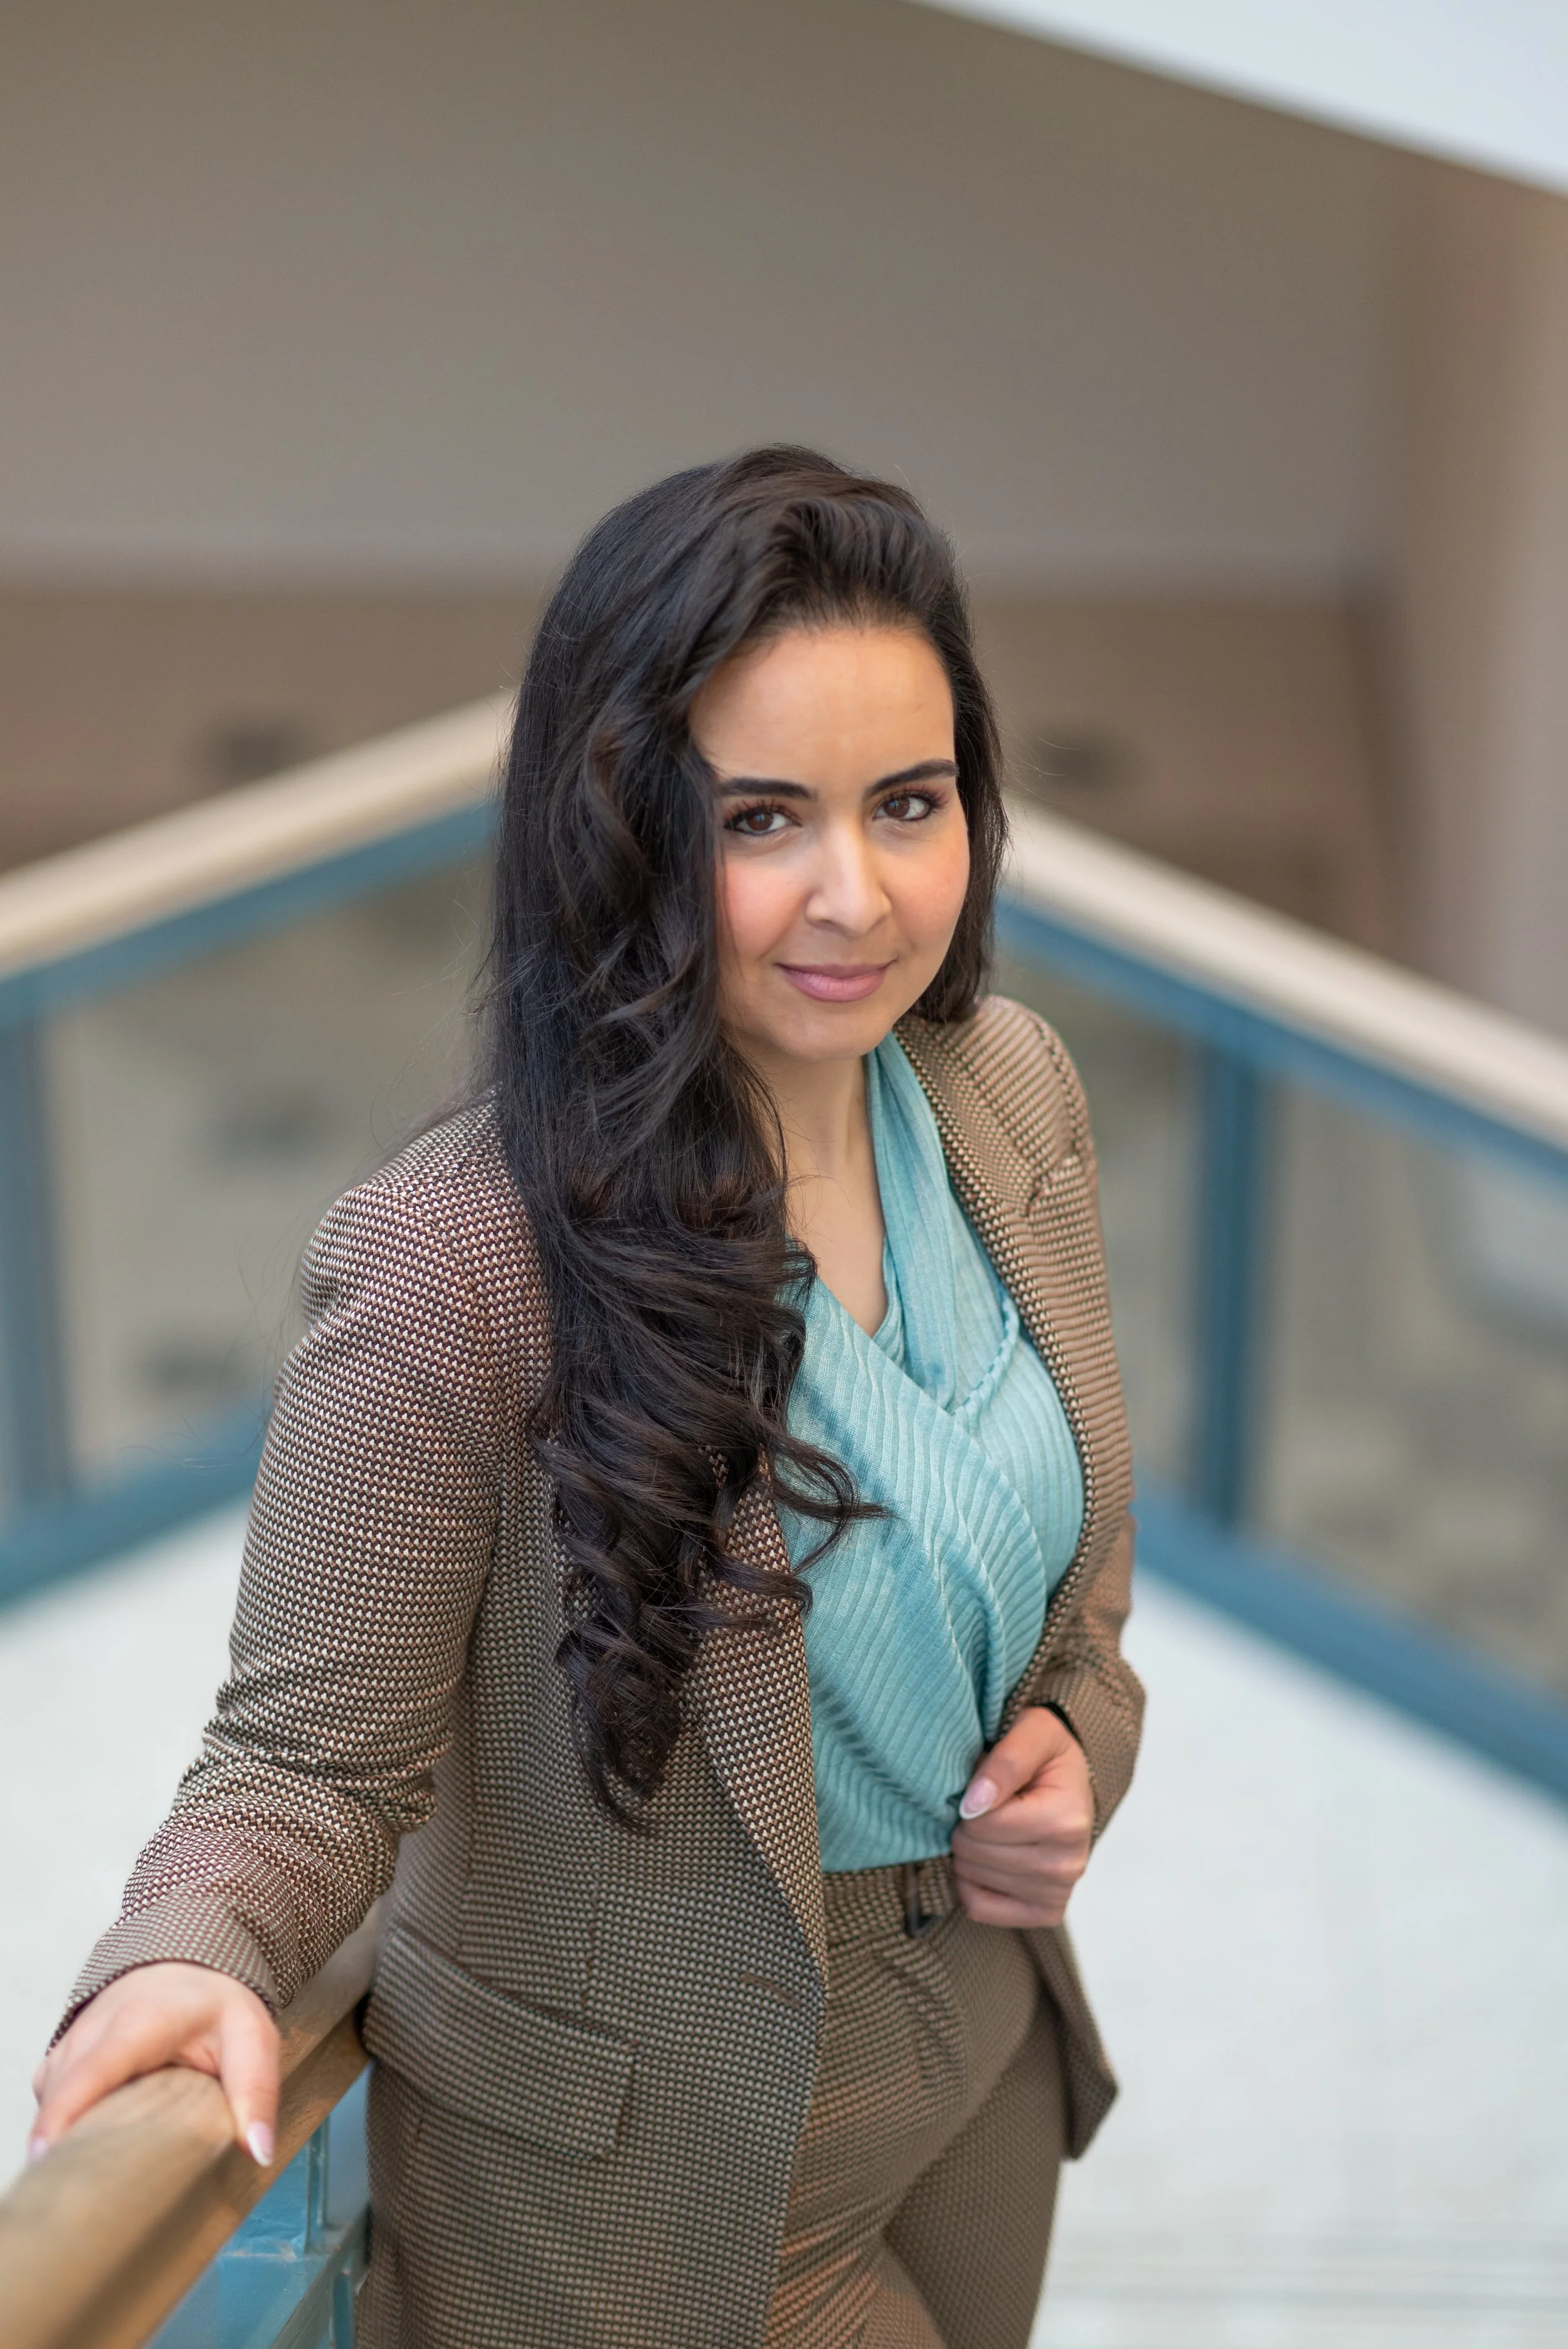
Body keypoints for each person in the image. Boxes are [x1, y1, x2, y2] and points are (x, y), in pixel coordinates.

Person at [31, 447, 1143, 2348]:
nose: (857, 895)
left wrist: (1075, 1736)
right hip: (644, 2174)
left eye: (909, 802)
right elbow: (303, 1762)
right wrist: (181, 1955)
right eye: (763, 818)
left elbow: (1073, 1589)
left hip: (978, 2045)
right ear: (621, 827)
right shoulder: (458, 1260)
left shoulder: (1003, 1091)